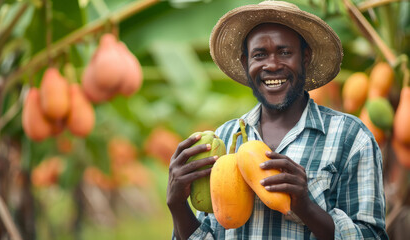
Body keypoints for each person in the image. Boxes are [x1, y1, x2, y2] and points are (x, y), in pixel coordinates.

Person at [166, 1, 388, 239]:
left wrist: (306, 207)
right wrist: (178, 206)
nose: (271, 65)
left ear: (305, 57)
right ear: (245, 63)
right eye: (259, 55)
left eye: (284, 52)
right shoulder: (224, 139)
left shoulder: (351, 137)